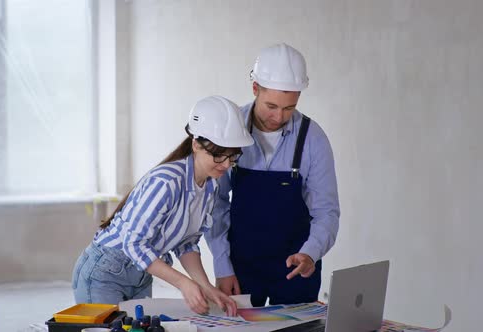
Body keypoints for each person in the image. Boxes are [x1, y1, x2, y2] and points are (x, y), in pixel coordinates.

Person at [72, 95, 254, 316]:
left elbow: (186, 244)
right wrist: (183, 283)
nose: (226, 164)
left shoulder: (209, 187)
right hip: (106, 271)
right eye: (218, 156)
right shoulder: (166, 181)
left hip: (141, 272)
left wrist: (206, 288)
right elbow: (134, 244)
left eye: (232, 156)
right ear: (196, 144)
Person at [205, 43, 340, 306]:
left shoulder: (313, 139)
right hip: (240, 267)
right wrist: (222, 265)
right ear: (255, 88)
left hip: (296, 269)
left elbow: (326, 211)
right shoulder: (230, 130)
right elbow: (215, 204)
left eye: (289, 107)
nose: (279, 116)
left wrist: (311, 253)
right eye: (271, 106)